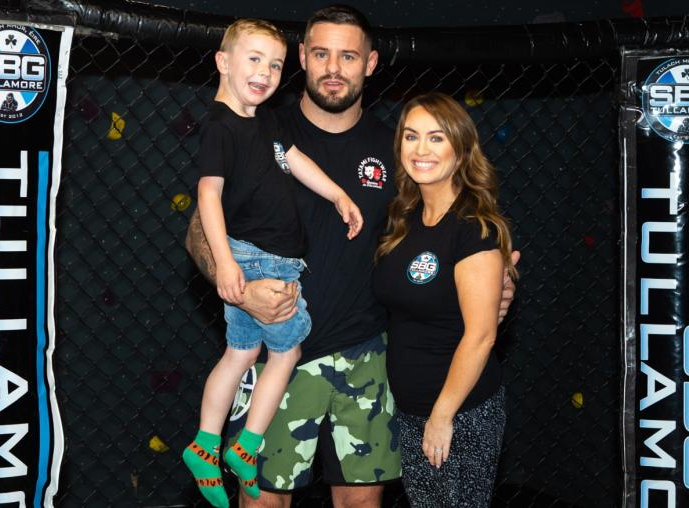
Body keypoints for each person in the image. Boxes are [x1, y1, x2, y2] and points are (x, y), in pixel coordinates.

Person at [185, 6, 520, 507]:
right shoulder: (257, 129)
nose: (333, 67)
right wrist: (237, 287)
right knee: (262, 501)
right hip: (278, 347)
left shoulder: (399, 149)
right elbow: (198, 229)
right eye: (320, 53)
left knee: (361, 501)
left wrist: (499, 277)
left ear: (371, 63)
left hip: (365, 354)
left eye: (348, 55)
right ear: (301, 58)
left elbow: (448, 225)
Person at [183, 18, 363, 508]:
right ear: (223, 63)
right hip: (258, 261)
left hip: (266, 260)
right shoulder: (221, 126)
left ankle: (208, 444)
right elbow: (208, 196)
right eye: (254, 59)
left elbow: (294, 158)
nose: (266, 72)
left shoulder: (261, 121)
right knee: (286, 353)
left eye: (276, 64)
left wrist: (339, 194)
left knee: (241, 354)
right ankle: (246, 445)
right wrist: (224, 263)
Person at [372, 92, 518, 508]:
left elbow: (481, 336)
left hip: (460, 415)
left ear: (460, 149)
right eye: (411, 136)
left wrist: (442, 416)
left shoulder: (473, 228)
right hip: (413, 412)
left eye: (436, 138)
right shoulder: (403, 222)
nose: (421, 149)